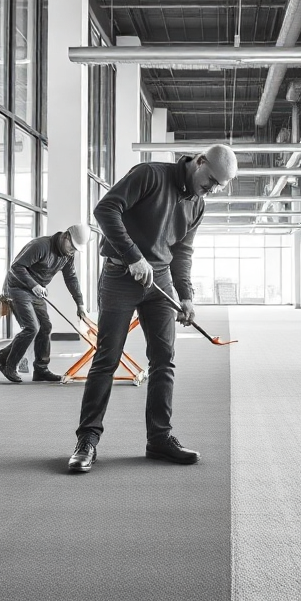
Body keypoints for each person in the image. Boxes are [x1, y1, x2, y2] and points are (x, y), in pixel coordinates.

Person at [67, 144, 238, 473]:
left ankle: (159, 438)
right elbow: (105, 210)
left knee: (164, 360)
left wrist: (186, 294)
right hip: (120, 276)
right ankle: (87, 439)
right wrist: (133, 256)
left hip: (159, 283)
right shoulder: (150, 174)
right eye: (212, 181)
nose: (212, 190)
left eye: (219, 186)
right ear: (199, 162)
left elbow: (183, 250)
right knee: (106, 359)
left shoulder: (197, 204)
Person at [0, 223, 91, 384]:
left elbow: (71, 278)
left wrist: (80, 304)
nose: (72, 250)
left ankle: (40, 369)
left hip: (36, 290)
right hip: (17, 287)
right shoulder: (40, 246)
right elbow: (16, 267)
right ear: (66, 236)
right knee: (32, 328)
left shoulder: (67, 255)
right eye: (72, 246)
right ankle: (9, 365)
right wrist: (34, 285)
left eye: (76, 249)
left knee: (45, 327)